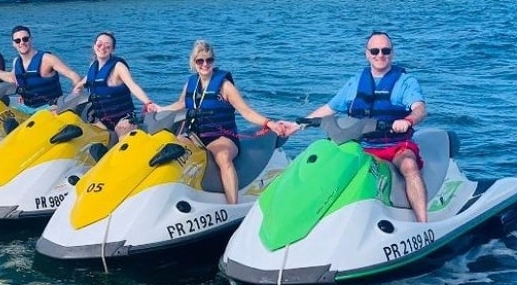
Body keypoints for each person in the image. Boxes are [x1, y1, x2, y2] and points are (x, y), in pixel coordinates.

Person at [284, 31, 429, 222]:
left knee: (410, 166)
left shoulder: (405, 82)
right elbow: (330, 108)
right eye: (375, 51)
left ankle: (422, 222)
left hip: (395, 146)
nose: (380, 55)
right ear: (367, 54)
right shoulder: (355, 82)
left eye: (385, 50)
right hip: (361, 146)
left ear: (392, 53)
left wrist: (408, 121)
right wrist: (297, 125)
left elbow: (420, 109)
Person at [159, 40, 287, 205]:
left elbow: (246, 111)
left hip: (222, 138)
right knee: (172, 149)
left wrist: (269, 124)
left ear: (213, 61)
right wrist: (159, 109)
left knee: (223, 157)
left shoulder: (224, 86)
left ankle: (232, 204)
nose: (205, 64)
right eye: (200, 61)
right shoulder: (191, 83)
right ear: (194, 62)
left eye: (209, 60)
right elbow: (180, 104)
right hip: (195, 137)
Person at [72, 31, 159, 139]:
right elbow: (88, 80)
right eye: (99, 44)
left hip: (123, 119)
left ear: (112, 50)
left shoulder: (118, 66)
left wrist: (148, 103)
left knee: (121, 136)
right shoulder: (93, 66)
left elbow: (132, 85)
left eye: (107, 46)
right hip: (101, 120)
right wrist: (77, 88)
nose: (102, 48)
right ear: (94, 46)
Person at [0, 25, 82, 114]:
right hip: (26, 109)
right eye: (17, 40)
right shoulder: (17, 61)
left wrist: (69, 101)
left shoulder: (46, 59)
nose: (22, 43)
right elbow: (12, 78)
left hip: (49, 109)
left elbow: (74, 76)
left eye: (25, 39)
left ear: (31, 39)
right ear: (13, 44)